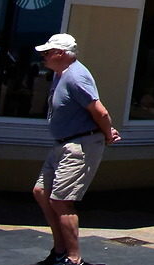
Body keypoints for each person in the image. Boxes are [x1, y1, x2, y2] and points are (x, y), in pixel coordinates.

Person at [32, 33, 121, 265]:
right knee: (42, 192)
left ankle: (73, 259)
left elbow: (100, 112)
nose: (43, 57)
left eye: (47, 52)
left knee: (61, 201)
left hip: (79, 145)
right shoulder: (60, 75)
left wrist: (108, 133)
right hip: (62, 143)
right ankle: (60, 250)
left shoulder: (76, 77)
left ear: (61, 54)